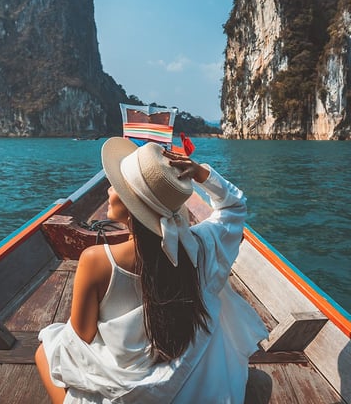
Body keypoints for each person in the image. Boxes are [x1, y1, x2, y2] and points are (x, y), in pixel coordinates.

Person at [35, 137, 268, 403]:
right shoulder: (200, 247)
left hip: (130, 389)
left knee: (46, 348)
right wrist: (202, 173)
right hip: (178, 375)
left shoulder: (96, 260)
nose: (109, 190)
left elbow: (81, 337)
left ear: (133, 204)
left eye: (117, 186)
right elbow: (234, 206)